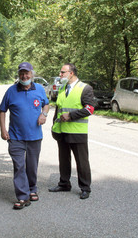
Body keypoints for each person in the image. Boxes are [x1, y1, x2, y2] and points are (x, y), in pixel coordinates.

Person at [0, 62, 49, 210]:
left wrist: (44, 114)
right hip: (15, 137)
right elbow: (2, 111)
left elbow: (46, 104)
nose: (24, 76)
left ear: (32, 74)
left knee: (32, 166)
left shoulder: (39, 89)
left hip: (35, 137)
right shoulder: (11, 91)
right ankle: (22, 196)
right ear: (19, 74)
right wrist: (2, 129)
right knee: (19, 166)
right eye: (22, 73)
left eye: (27, 73)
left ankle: (32, 188)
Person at [49, 63, 95, 199]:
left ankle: (85, 187)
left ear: (71, 73)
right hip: (62, 131)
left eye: (62, 72)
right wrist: (54, 126)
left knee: (82, 161)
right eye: (60, 72)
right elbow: (59, 108)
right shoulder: (62, 88)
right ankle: (64, 183)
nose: (60, 75)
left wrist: (71, 116)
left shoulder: (85, 88)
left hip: (77, 132)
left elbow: (90, 109)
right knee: (63, 159)